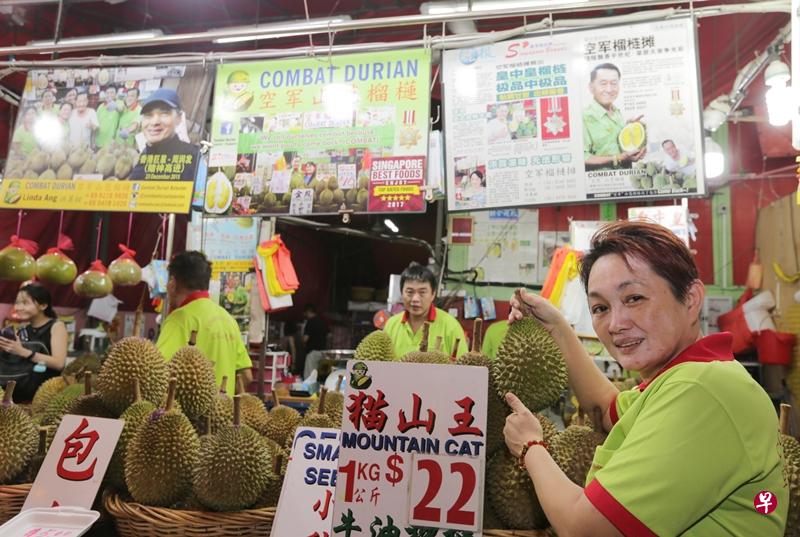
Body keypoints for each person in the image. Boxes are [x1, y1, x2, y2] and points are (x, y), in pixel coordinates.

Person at [502, 220, 787, 536]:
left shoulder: (701, 390)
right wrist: (557, 326)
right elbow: (608, 410)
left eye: (634, 298)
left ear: (691, 299)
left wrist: (530, 446)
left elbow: (585, 530)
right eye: (600, 307)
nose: (615, 323)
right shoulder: (684, 377)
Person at [156, 251, 252, 395]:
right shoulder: (228, 320)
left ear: (173, 283)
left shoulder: (180, 319)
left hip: (188, 416)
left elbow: (158, 372)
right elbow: (246, 376)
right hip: (225, 414)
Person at [383, 264, 468, 359]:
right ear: (402, 294)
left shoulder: (450, 326)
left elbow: (463, 367)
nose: (415, 299)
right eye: (410, 292)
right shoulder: (391, 325)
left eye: (422, 292)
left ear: (433, 294)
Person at [0, 284, 67, 402]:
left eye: (25, 303)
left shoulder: (56, 326)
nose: (18, 307)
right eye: (17, 302)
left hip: (43, 397)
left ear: (43, 305)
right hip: (19, 394)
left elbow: (59, 363)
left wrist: (23, 352)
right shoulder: (22, 329)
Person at [583, 63, 646, 170]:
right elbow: (582, 157)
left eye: (614, 83)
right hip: (601, 183)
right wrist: (618, 158)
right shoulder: (584, 117)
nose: (609, 89)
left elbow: (615, 143)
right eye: (603, 83)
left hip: (626, 180)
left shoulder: (617, 112)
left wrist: (629, 128)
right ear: (591, 87)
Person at [130, 88, 200, 181]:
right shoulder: (144, 157)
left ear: (179, 118)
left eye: (164, 114)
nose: (155, 122)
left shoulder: (194, 157)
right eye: (148, 115)